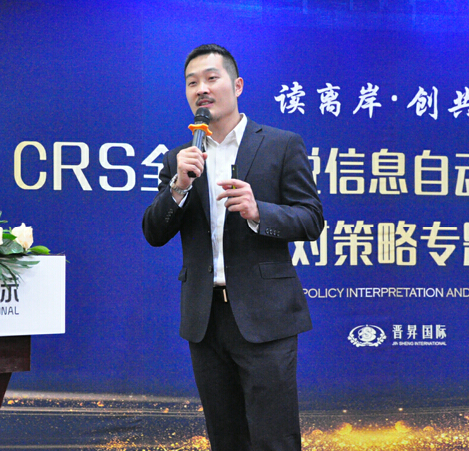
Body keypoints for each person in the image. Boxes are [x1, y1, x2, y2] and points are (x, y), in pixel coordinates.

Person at [142, 44, 324, 451]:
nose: (202, 89)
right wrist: (179, 188)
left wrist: (260, 211)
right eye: (192, 83)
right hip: (205, 320)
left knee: (274, 439)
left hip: (265, 316)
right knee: (225, 439)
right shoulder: (179, 159)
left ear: (237, 85)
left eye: (212, 78)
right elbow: (154, 232)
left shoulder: (281, 145)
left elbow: (312, 219)